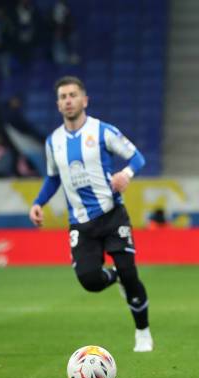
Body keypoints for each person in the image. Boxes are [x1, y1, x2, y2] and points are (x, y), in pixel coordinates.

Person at [28, 76, 153, 352]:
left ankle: (142, 332)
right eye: (63, 96)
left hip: (111, 215)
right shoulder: (53, 142)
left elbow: (137, 158)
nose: (68, 100)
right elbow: (52, 178)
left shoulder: (102, 131)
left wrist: (126, 174)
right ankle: (115, 277)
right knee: (90, 281)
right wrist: (39, 202)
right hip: (80, 224)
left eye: (73, 95)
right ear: (58, 104)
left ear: (85, 100)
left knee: (130, 273)